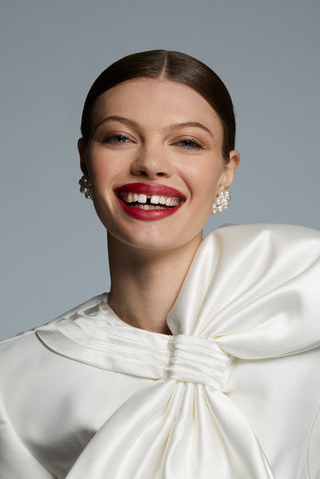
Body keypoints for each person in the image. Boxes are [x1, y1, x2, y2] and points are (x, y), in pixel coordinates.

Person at [0, 50, 319, 479]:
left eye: (187, 142)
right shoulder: (14, 379)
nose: (150, 164)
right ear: (84, 159)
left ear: (227, 170)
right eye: (119, 137)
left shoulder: (302, 318)